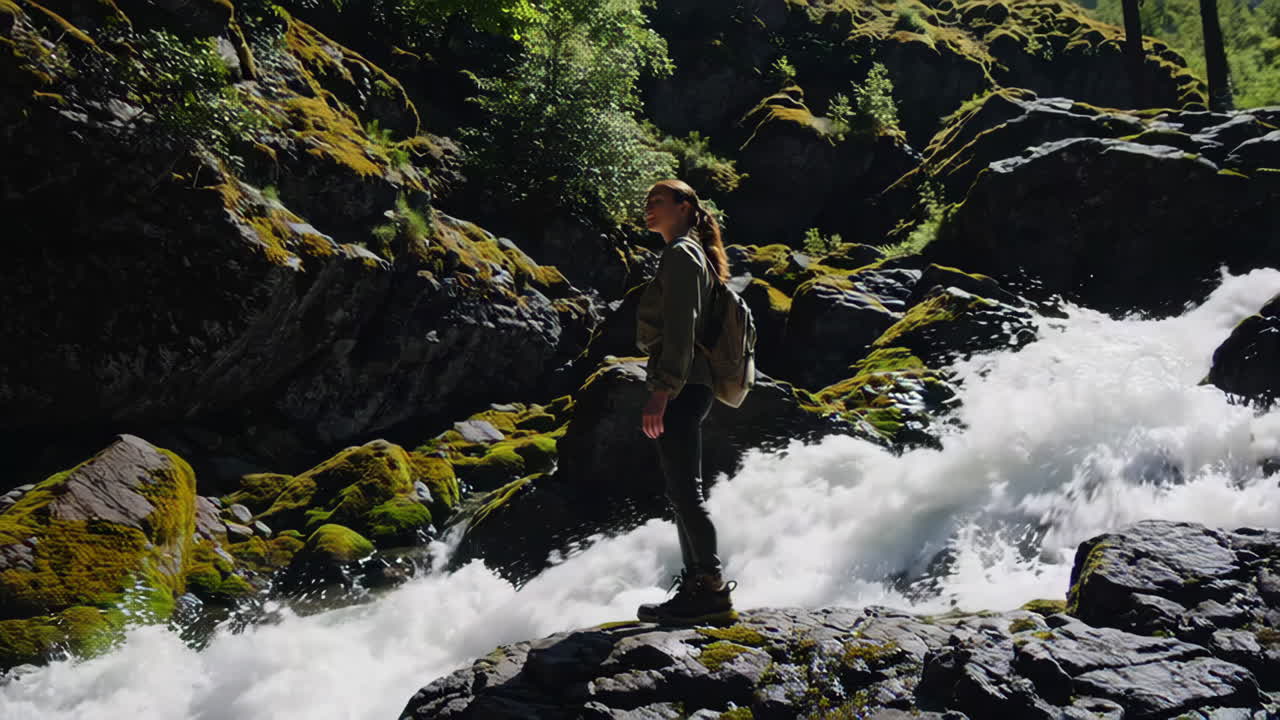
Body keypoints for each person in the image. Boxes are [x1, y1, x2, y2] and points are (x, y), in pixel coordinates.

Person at [634, 179, 738, 625]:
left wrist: (662, 388)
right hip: (693, 385)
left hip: (682, 385)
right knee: (681, 494)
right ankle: (698, 586)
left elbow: (681, 327)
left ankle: (710, 588)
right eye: (647, 203)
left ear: (683, 206)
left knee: (686, 494)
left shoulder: (680, 254)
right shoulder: (691, 253)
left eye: (658, 201)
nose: (648, 209)